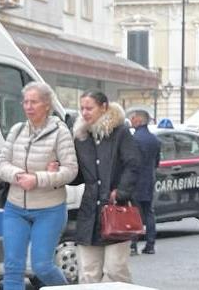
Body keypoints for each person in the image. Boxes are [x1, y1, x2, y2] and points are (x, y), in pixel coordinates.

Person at [0, 82, 78, 290]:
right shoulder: (17, 130)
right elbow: (1, 164)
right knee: (12, 267)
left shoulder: (60, 132)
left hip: (49, 209)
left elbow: (70, 170)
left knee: (42, 266)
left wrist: (38, 179)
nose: (28, 106)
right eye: (25, 102)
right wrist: (17, 174)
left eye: (34, 102)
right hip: (15, 208)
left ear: (47, 105)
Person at [71, 90, 141, 283]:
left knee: (115, 270)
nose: (84, 112)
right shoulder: (81, 137)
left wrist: (121, 191)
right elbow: (79, 176)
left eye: (89, 108)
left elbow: (133, 164)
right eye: (82, 108)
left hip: (116, 210)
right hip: (89, 213)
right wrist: (61, 171)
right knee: (88, 272)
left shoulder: (121, 132)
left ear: (104, 107)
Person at [126, 109, 161, 256]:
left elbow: (130, 161)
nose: (131, 121)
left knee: (135, 213)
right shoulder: (155, 140)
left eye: (133, 119)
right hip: (149, 179)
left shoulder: (134, 139)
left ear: (139, 121)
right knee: (149, 213)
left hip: (135, 181)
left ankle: (133, 244)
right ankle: (150, 244)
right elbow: (157, 162)